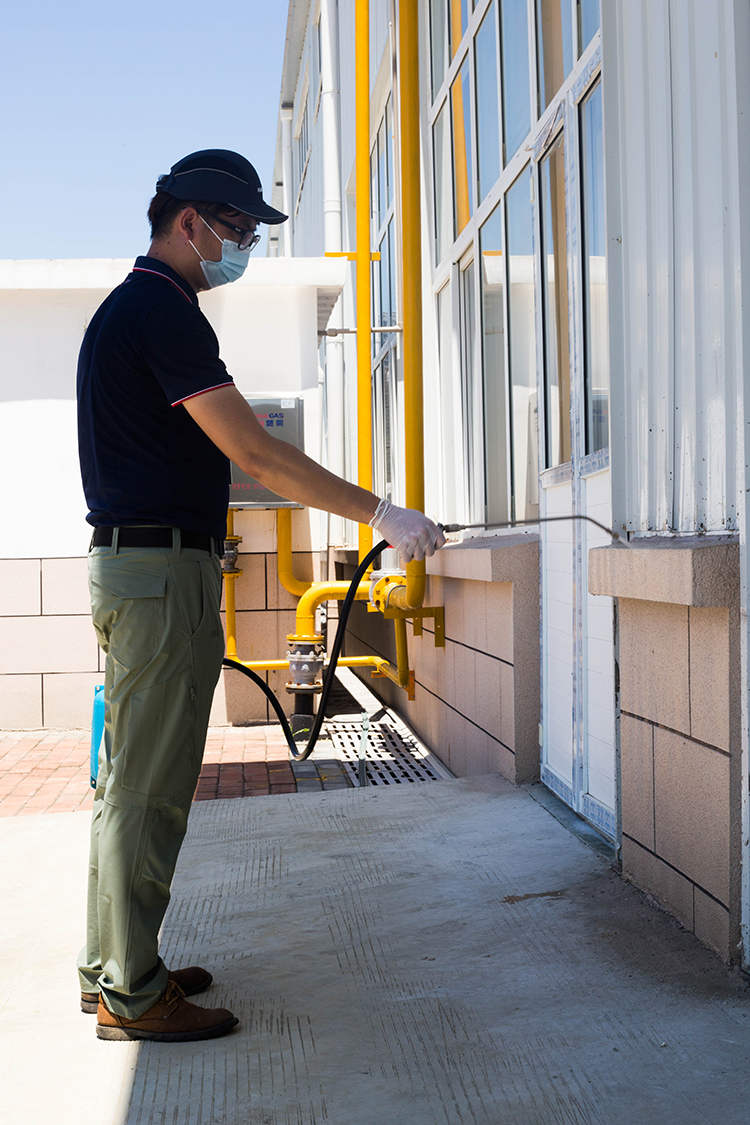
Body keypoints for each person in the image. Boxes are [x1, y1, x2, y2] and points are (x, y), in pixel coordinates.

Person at [76, 149, 445, 1043]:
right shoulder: (162, 313)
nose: (243, 244)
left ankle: (116, 968)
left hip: (148, 564)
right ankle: (131, 992)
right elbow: (258, 452)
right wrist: (380, 513)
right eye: (235, 227)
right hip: (160, 572)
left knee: (132, 778)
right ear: (187, 221)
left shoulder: (144, 310)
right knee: (150, 788)